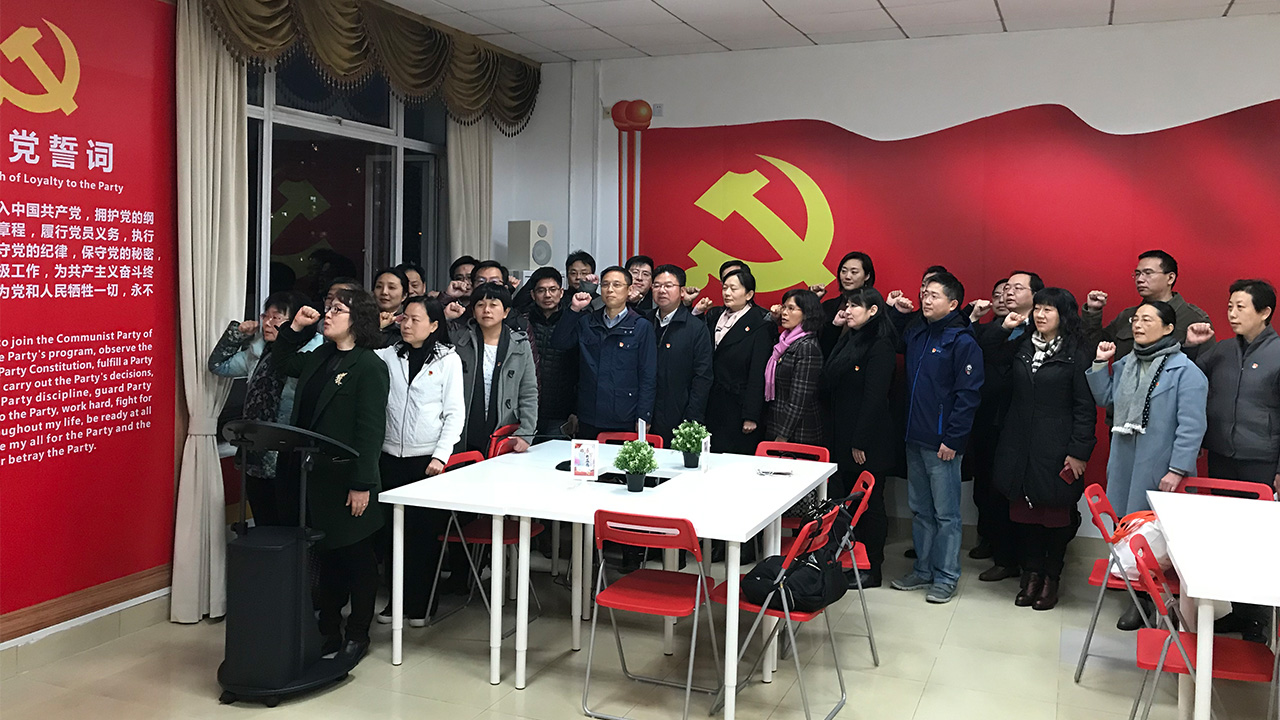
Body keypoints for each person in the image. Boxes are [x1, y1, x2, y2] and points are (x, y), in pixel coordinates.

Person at [276, 288, 390, 662]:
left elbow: (370, 432)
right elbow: (282, 362)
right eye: (329, 308)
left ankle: (358, 633)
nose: (327, 314)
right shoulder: (321, 355)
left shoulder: (369, 366)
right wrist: (296, 327)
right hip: (312, 476)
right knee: (326, 558)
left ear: (358, 319)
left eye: (337, 310)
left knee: (356, 558)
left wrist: (362, 485)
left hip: (347, 478)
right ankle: (327, 629)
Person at [1087, 299, 1208, 630]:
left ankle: (1155, 602)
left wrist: (1178, 469)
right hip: (1124, 462)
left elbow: (1192, 427)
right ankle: (1136, 597)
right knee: (1128, 530)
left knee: (1157, 537)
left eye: (1147, 320)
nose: (1138, 325)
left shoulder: (1185, 371)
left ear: (1168, 328)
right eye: (1136, 320)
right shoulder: (1126, 364)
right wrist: (1100, 364)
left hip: (1162, 468)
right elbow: (1106, 399)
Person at [1184, 279, 1280, 643]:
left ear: (1265, 312)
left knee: (1255, 542)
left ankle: (1258, 620)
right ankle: (1239, 613)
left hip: (1261, 460)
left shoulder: (1277, 354)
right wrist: (1192, 347)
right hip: (1222, 455)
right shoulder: (1222, 349)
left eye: (1241, 307)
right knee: (1227, 537)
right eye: (1230, 307)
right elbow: (1188, 377)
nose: (1232, 314)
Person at [990, 288, 1097, 611]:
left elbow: (1085, 407)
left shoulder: (1076, 352)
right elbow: (990, 356)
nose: (1040, 315)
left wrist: (1079, 451)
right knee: (1026, 514)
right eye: (1037, 308)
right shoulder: (1022, 345)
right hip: (1020, 443)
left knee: (1055, 515)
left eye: (1049, 309)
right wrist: (1004, 329)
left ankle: (1052, 577)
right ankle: (1032, 574)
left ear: (1064, 315)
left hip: (1057, 446)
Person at [889, 271, 984, 605]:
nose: (925, 300)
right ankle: (923, 569)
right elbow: (893, 340)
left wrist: (953, 439)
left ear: (953, 304)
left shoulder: (962, 341)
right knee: (920, 510)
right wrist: (897, 313)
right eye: (924, 294)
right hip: (914, 437)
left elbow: (968, 397)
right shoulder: (918, 333)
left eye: (934, 295)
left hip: (943, 443)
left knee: (946, 515)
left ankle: (946, 576)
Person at [373, 297, 464, 626]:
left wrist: (441, 455)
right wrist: (380, 327)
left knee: (422, 535)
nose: (407, 325)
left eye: (415, 319)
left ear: (434, 325)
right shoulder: (388, 355)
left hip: (426, 460)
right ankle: (394, 601)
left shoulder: (448, 360)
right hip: (389, 456)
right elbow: (360, 351)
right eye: (404, 318)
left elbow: (454, 414)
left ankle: (422, 604)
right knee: (391, 534)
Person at [208, 291, 322, 526]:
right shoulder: (259, 352)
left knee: (291, 523)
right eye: (265, 316)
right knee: (263, 521)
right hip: (255, 452)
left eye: (276, 318)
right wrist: (237, 334)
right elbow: (218, 365)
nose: (268, 323)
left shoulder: (314, 355)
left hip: (291, 456)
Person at [969, 271, 1044, 583]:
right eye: (1007, 288)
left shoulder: (1042, 329)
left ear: (1035, 295)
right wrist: (1003, 327)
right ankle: (1003, 556)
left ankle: (1031, 563)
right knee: (991, 489)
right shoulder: (999, 327)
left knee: (1022, 494)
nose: (1009, 293)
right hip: (991, 419)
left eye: (1017, 288)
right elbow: (984, 351)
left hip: (1026, 424)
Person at [822, 287, 897, 587]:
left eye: (855, 306)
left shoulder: (880, 345)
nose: (848, 310)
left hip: (867, 441)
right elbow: (827, 374)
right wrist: (835, 328)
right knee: (846, 503)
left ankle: (873, 568)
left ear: (873, 311)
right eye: (847, 304)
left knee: (871, 504)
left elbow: (874, 398)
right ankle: (849, 562)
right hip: (842, 434)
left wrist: (860, 441)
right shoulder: (849, 337)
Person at [553, 265, 657, 438]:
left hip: (624, 415)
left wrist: (644, 416)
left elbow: (648, 375)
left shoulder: (641, 326)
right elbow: (559, 342)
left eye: (617, 285)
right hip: (589, 414)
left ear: (629, 289)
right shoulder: (587, 322)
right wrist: (574, 309)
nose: (610, 290)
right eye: (605, 285)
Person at [451, 283, 538, 455]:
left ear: (505, 312)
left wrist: (526, 433)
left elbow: (528, 392)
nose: (486, 310)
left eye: (493, 305)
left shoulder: (520, 344)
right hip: (464, 427)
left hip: (503, 428)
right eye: (480, 305)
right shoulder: (459, 341)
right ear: (473, 311)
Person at [1083, 249, 1212, 360]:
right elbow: (1092, 348)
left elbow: (1206, 365)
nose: (1140, 279)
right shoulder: (1127, 315)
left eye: (1148, 273)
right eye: (1137, 274)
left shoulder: (1193, 318)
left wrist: (1189, 347)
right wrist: (1093, 311)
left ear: (1170, 278)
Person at [700, 269, 773, 455]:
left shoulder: (760, 323)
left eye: (733, 288)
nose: (727, 293)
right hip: (713, 401)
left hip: (738, 405)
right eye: (725, 288)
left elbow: (758, 372)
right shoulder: (715, 315)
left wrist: (751, 415)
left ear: (749, 294)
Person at [962, 277, 1008, 563]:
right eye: (997, 294)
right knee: (982, 485)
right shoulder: (983, 330)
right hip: (981, 418)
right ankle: (986, 536)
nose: (1002, 298)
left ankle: (1004, 547)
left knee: (1001, 486)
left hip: (1008, 421)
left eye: (1008, 293)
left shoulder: (1024, 333)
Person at [647, 265, 713, 444]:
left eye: (668, 286)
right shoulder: (644, 322)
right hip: (645, 413)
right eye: (657, 285)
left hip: (680, 413)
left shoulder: (695, 328)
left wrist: (692, 418)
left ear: (682, 291)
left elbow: (703, 376)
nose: (662, 290)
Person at [520, 267, 579, 438]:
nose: (547, 295)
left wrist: (576, 410)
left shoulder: (573, 321)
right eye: (541, 290)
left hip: (562, 410)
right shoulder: (522, 322)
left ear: (561, 292)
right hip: (527, 408)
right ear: (533, 295)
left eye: (553, 289)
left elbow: (581, 370)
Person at [765, 288, 825, 444]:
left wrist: (783, 435)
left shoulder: (807, 347)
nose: (784, 313)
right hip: (777, 422)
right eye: (784, 307)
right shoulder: (784, 341)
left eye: (791, 308)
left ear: (807, 314)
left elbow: (799, 399)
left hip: (798, 431)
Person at [816, 251, 875, 355]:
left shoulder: (873, 308)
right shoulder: (828, 306)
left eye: (854, 272)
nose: (847, 276)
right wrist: (813, 300)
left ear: (867, 276)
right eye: (843, 271)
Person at [373, 268, 411, 347]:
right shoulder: (362, 318)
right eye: (379, 286)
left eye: (391, 287)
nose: (384, 292)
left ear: (404, 295)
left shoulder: (408, 321)